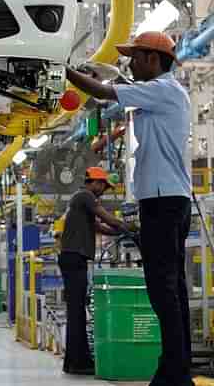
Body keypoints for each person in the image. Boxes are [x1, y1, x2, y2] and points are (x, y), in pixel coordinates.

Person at [66, 31, 192, 386]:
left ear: (152, 59)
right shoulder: (162, 93)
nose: (130, 63)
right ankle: (176, 368)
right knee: (173, 287)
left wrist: (62, 69)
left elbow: (104, 92)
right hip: (170, 200)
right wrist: (101, 70)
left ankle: (174, 372)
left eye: (135, 57)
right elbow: (116, 87)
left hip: (162, 202)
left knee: (162, 287)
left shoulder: (162, 90)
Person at [59, 167, 128, 375]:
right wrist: (129, 227)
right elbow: (107, 218)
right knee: (76, 311)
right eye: (104, 186)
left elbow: (100, 227)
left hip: (73, 259)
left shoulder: (81, 201)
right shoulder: (85, 196)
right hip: (74, 258)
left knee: (77, 310)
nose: (104, 191)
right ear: (95, 182)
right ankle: (79, 362)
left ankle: (74, 361)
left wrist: (120, 232)